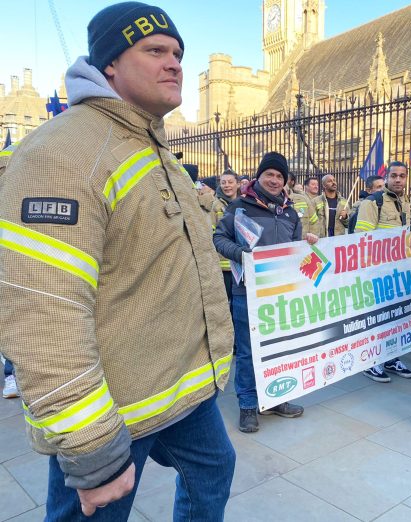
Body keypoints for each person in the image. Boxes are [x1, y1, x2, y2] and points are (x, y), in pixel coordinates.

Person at [0, 3, 236, 519]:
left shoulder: (153, 147)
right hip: (116, 412)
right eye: (155, 51)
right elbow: (43, 312)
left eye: (178, 52)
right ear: (110, 65)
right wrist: (92, 449)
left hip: (178, 388)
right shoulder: (64, 153)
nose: (173, 62)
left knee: (215, 468)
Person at [214, 152, 317, 433]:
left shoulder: (291, 212)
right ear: (259, 176)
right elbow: (218, 238)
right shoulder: (240, 207)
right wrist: (242, 254)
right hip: (246, 292)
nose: (274, 180)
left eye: (279, 176)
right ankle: (248, 406)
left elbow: (295, 251)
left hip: (280, 295)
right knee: (248, 352)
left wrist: (307, 245)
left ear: (285, 181)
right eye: (269, 174)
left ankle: (275, 398)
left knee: (279, 348)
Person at [355, 161, 411, 381]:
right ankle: (370, 362)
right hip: (378, 274)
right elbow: (361, 241)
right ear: (387, 177)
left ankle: (391, 357)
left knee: (396, 318)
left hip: (401, 273)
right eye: (394, 176)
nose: (398, 180)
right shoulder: (373, 203)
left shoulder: (408, 202)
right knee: (377, 319)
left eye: (402, 176)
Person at [213, 169, 240, 301]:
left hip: (242, 261)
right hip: (224, 265)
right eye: (223, 182)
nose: (227, 185)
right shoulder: (214, 205)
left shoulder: (244, 202)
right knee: (227, 302)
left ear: (238, 184)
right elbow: (211, 233)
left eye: (230, 182)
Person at [287, 171, 320, 239]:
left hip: (302, 245)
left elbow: (314, 221)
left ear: (292, 182)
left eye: (285, 178)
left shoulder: (303, 199)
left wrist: (312, 239)